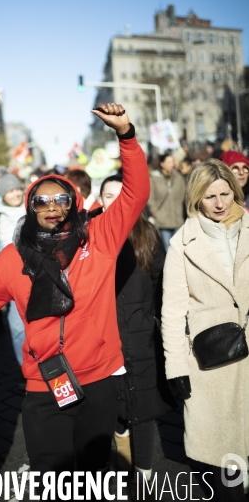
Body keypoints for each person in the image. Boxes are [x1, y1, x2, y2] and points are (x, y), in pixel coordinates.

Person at [0, 104, 149, 486]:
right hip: (44, 384)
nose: (52, 207)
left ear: (75, 204)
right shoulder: (11, 258)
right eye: (42, 201)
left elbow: (135, 194)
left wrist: (126, 136)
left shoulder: (99, 238)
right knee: (50, 481)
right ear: (30, 208)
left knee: (93, 478)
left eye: (61, 199)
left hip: (99, 381)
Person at [162, 159, 249, 502]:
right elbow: (172, 310)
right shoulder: (183, 242)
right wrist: (175, 367)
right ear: (196, 198)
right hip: (211, 363)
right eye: (210, 196)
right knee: (224, 462)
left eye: (226, 193)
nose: (220, 203)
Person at [100, 175, 175, 500]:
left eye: (121, 195)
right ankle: (121, 450)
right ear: (99, 200)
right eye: (108, 195)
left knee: (143, 411)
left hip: (143, 339)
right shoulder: (90, 236)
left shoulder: (148, 235)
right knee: (114, 410)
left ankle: (142, 475)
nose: (115, 202)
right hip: (104, 343)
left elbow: (161, 285)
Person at [0, 172, 26, 359]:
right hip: (12, 275)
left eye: (18, 189)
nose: (16, 194)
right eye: (10, 191)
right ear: (3, 194)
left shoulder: (32, 209)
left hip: (36, 271)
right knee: (17, 322)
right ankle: (23, 365)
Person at [148, 153, 186, 249]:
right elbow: (150, 197)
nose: (172, 164)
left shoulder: (178, 177)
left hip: (177, 218)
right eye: (169, 162)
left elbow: (184, 194)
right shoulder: (154, 179)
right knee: (167, 248)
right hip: (163, 219)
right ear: (162, 164)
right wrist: (155, 212)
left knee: (179, 248)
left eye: (173, 161)